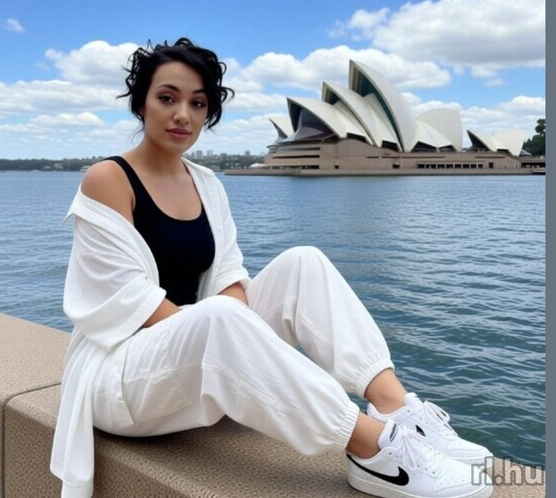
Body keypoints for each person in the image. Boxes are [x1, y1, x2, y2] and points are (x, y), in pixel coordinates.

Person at [50, 38, 493, 498]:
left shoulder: (206, 183)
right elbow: (129, 301)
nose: (183, 114)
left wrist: (242, 348)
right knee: (220, 318)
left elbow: (228, 275)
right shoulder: (108, 178)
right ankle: (374, 449)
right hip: (119, 379)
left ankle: (394, 407)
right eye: (167, 97)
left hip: (189, 362)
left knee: (304, 262)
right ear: (141, 103)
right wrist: (232, 340)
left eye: (197, 103)